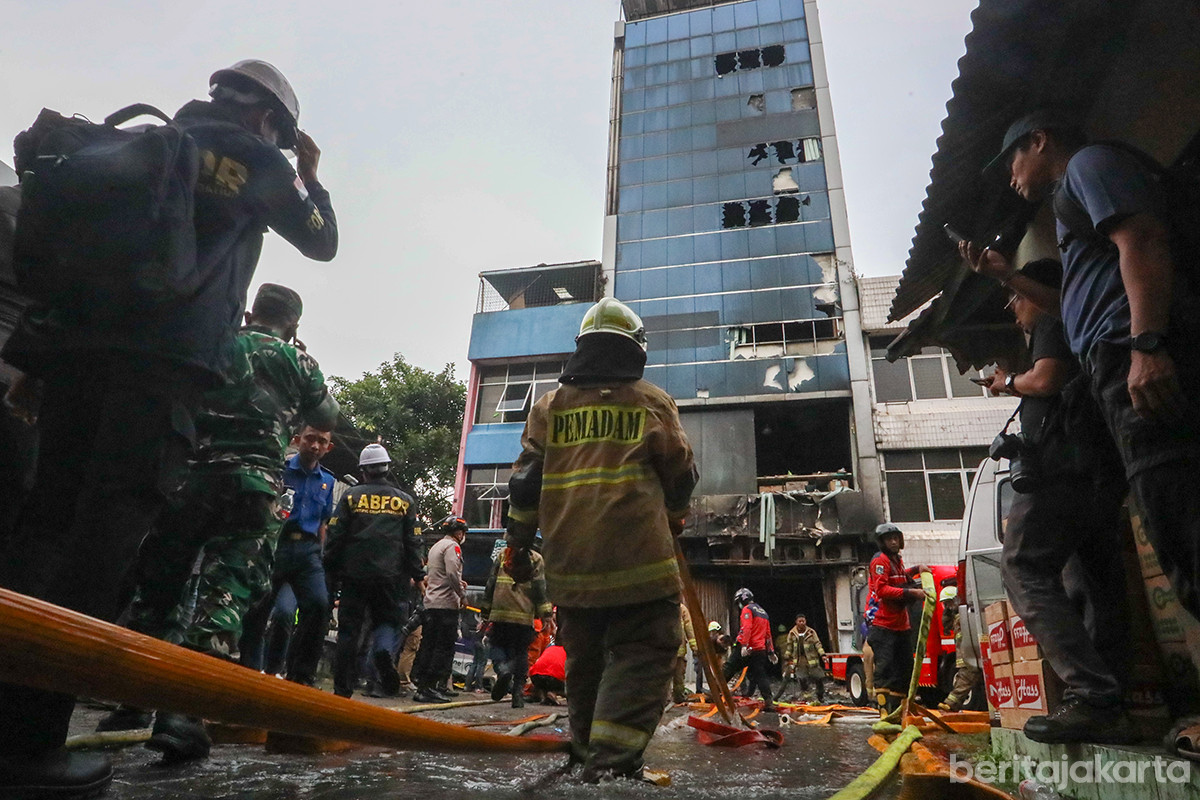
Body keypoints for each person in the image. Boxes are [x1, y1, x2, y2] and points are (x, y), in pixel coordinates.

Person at [0, 59, 337, 798]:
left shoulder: (150, 141)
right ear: (271, 119)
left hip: (71, 354)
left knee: (43, 526)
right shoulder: (255, 158)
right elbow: (320, 241)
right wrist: (308, 173)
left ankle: (10, 723)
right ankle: (30, 744)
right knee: (104, 539)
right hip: (162, 367)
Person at [968, 110, 1200, 629]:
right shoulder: (1072, 202)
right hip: (1117, 364)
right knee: (1170, 523)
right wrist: (1006, 276)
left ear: (1040, 140)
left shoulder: (1088, 167)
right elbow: (1066, 305)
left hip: (1137, 355)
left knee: (1181, 516)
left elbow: (1140, 238)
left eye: (1013, 161)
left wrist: (1146, 345)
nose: (1012, 177)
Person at [113, 284, 337, 760]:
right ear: (293, 324)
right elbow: (327, 413)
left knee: (161, 586)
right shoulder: (300, 362)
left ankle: (132, 700)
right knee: (225, 592)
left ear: (254, 312)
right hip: (252, 488)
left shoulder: (219, 339)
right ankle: (185, 713)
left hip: (189, 477)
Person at [505, 297, 698, 782]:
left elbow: (525, 484)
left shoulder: (550, 407)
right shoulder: (652, 401)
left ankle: (585, 753)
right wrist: (674, 518)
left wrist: (517, 545)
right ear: (635, 349)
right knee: (647, 652)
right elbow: (681, 476)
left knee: (585, 661)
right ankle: (609, 767)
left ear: (581, 349)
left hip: (572, 571)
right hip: (643, 569)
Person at [976, 257, 1135, 742]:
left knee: (1022, 565)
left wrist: (1008, 384)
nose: (1012, 306)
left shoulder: (1051, 317)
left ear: (1037, 291)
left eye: (1016, 296)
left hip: (1062, 471)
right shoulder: (1082, 320)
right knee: (1096, 582)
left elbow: (1045, 379)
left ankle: (1092, 695)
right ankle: (1113, 702)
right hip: (1099, 473)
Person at [323, 444, 424, 700]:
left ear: (363, 471)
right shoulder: (405, 501)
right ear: (387, 469)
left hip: (354, 575)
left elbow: (335, 536)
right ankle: (382, 651)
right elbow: (413, 541)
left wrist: (329, 570)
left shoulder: (350, 497)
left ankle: (341, 690)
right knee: (387, 623)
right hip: (392, 578)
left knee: (349, 632)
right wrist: (418, 574)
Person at [239, 424, 337, 685]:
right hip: (276, 545)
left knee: (318, 605)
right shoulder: (279, 471)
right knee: (259, 610)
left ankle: (301, 676)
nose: (315, 446)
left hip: (308, 552)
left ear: (329, 447)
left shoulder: (328, 481)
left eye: (321, 442)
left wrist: (319, 556)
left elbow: (322, 524)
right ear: (297, 440)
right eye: (310, 439)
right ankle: (249, 674)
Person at [868, 523, 928, 716]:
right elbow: (882, 590)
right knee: (885, 670)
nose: (893, 542)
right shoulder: (880, 561)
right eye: (889, 539)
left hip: (901, 625)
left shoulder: (897, 561)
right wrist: (912, 592)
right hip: (883, 625)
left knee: (905, 671)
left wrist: (917, 569)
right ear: (882, 542)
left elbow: (900, 578)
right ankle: (885, 712)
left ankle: (903, 711)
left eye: (896, 538)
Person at [481, 543, 552, 708]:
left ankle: (503, 670)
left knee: (497, 645)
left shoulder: (504, 554)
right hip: (523, 615)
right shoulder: (536, 558)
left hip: (500, 612)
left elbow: (490, 583)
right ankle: (517, 695)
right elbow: (540, 589)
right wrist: (546, 615)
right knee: (521, 652)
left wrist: (485, 611)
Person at [412, 517, 467, 703]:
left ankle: (422, 686)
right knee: (442, 648)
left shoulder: (436, 546)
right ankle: (429, 687)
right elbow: (452, 573)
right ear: (459, 533)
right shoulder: (453, 547)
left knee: (428, 645)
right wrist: (462, 594)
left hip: (431, 603)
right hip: (446, 605)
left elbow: (439, 574)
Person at [723, 588, 778, 711]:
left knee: (729, 668)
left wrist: (744, 645)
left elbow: (746, 628)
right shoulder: (763, 612)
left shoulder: (747, 610)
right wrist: (771, 652)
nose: (739, 606)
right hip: (760, 650)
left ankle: (715, 692)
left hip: (747, 648)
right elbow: (768, 634)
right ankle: (769, 702)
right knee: (760, 675)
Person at [782, 614, 826, 704]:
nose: (802, 623)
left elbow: (817, 644)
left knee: (819, 678)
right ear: (796, 622)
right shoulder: (792, 633)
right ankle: (807, 697)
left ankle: (820, 695)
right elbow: (789, 646)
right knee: (802, 678)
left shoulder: (811, 632)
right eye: (800, 621)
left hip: (812, 659)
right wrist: (787, 657)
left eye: (803, 621)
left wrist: (823, 654)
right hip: (799, 660)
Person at [671, 604, 699, 704]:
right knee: (678, 676)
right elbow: (689, 629)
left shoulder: (660, 606)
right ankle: (678, 697)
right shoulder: (682, 608)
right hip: (677, 650)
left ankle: (674, 698)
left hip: (664, 651)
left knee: (670, 677)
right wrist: (695, 648)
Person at [697, 621, 730, 696]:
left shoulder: (724, 640)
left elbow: (723, 652)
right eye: (712, 632)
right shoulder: (710, 641)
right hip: (708, 655)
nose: (713, 634)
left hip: (717, 655)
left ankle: (718, 688)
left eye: (715, 632)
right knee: (705, 672)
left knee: (719, 672)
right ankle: (711, 689)